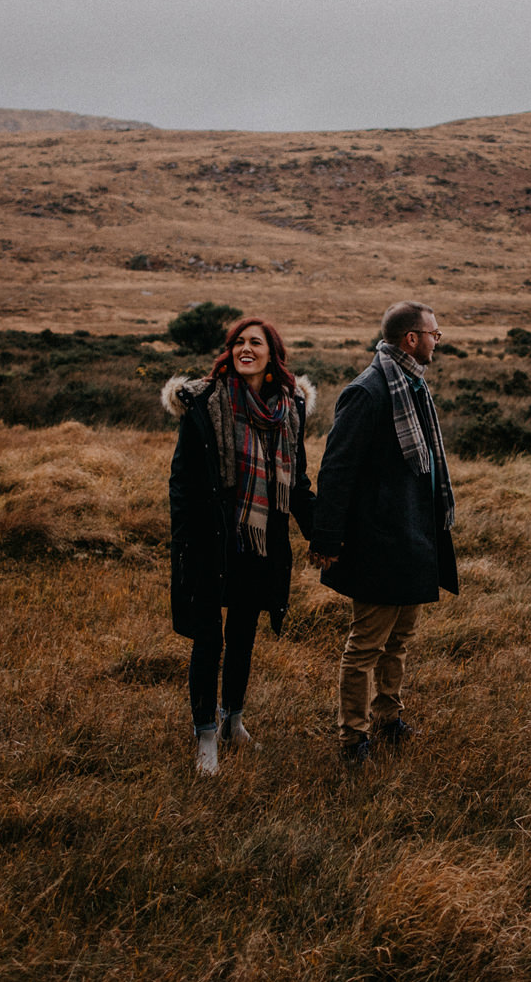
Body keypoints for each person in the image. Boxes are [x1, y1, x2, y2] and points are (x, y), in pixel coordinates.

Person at [164, 317, 316, 775]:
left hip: (262, 536)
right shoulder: (205, 403)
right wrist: (187, 539)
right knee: (208, 637)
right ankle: (204, 735)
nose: (244, 349)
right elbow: (181, 481)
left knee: (244, 634)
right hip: (213, 537)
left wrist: (322, 533)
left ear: (273, 354)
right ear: (228, 351)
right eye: (238, 343)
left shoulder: (289, 408)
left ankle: (233, 722)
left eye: (255, 343)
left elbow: (299, 480)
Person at [309, 300, 458, 764]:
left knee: (400, 641)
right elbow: (335, 470)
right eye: (434, 333)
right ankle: (353, 740)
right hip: (379, 541)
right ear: (411, 338)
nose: (438, 340)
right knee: (366, 646)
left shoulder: (412, 385)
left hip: (415, 537)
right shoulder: (369, 391)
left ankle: (388, 720)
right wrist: (327, 541)